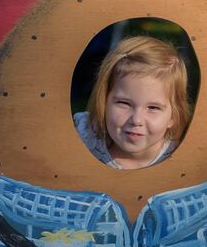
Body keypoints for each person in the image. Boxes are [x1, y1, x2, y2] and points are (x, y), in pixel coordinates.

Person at [73, 36, 189, 170]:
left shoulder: (180, 153)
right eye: (124, 103)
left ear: (173, 116)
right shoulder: (86, 136)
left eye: (153, 107)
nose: (136, 120)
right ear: (104, 101)